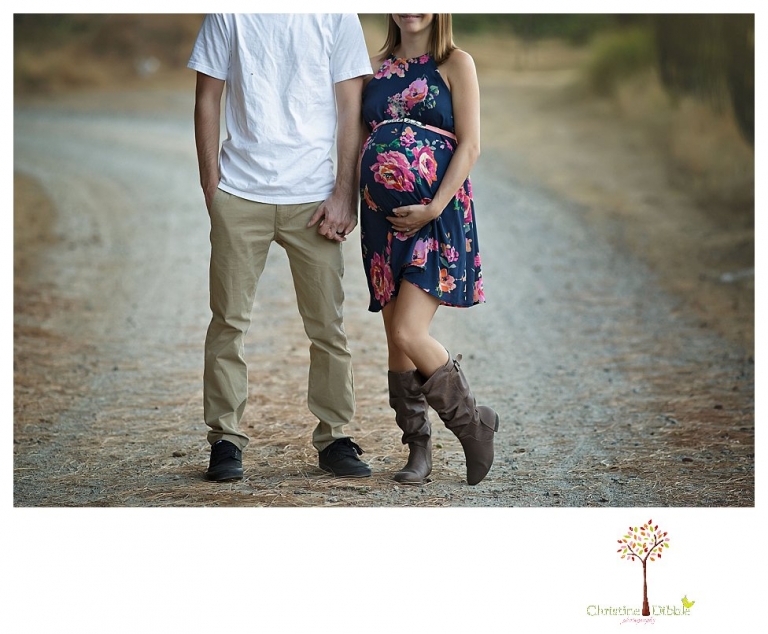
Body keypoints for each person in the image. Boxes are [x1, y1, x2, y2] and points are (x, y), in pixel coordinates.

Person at [188, 14, 373, 482]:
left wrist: (343, 194)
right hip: (240, 193)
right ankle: (225, 439)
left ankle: (335, 438)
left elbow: (352, 106)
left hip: (314, 198)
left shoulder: (337, 15)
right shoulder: (227, 13)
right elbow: (208, 97)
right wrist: (213, 187)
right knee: (228, 321)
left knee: (328, 327)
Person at [359, 14, 498, 485]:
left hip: (436, 217)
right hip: (382, 223)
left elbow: (471, 144)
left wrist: (433, 207)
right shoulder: (372, 66)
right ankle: (417, 449)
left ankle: (472, 425)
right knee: (394, 339)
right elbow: (360, 137)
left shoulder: (457, 63)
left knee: (408, 333)